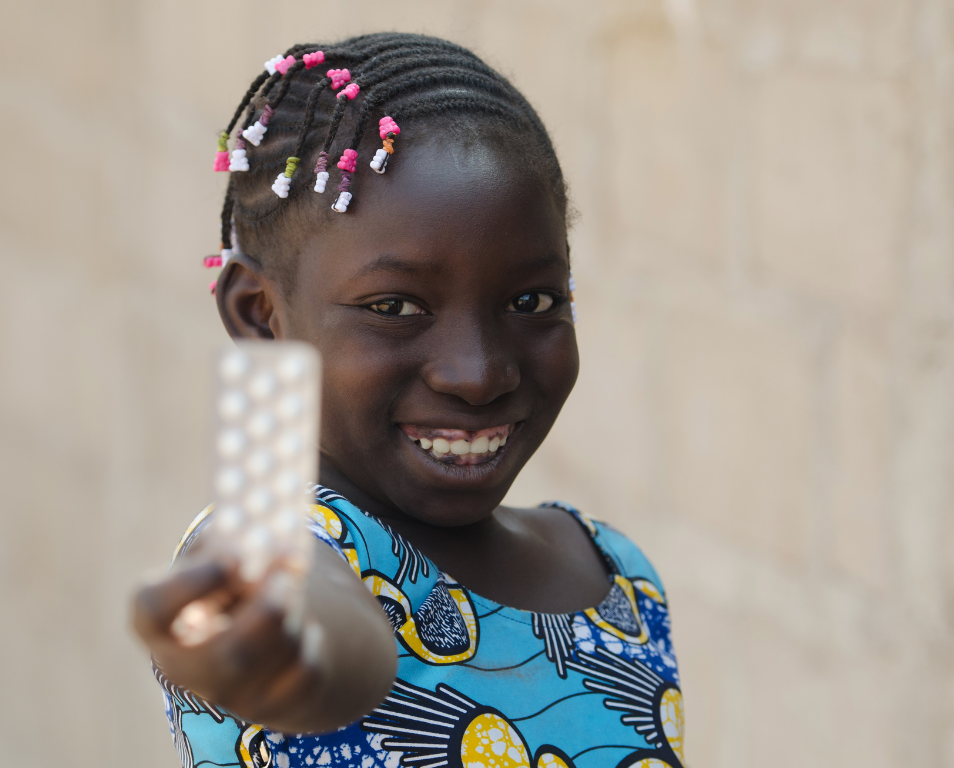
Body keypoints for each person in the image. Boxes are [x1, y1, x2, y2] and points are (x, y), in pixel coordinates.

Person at [133, 32, 687, 768]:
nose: (478, 374)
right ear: (260, 316)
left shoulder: (616, 577)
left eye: (531, 299)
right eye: (396, 308)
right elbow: (329, 629)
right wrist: (280, 646)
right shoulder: (293, 554)